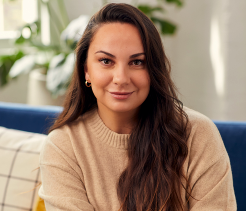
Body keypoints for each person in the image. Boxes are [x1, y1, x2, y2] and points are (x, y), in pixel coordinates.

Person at [38, 3, 236, 211]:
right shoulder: (63, 146)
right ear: (86, 70)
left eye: (137, 62)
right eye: (106, 61)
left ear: (153, 70)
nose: (121, 78)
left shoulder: (198, 134)